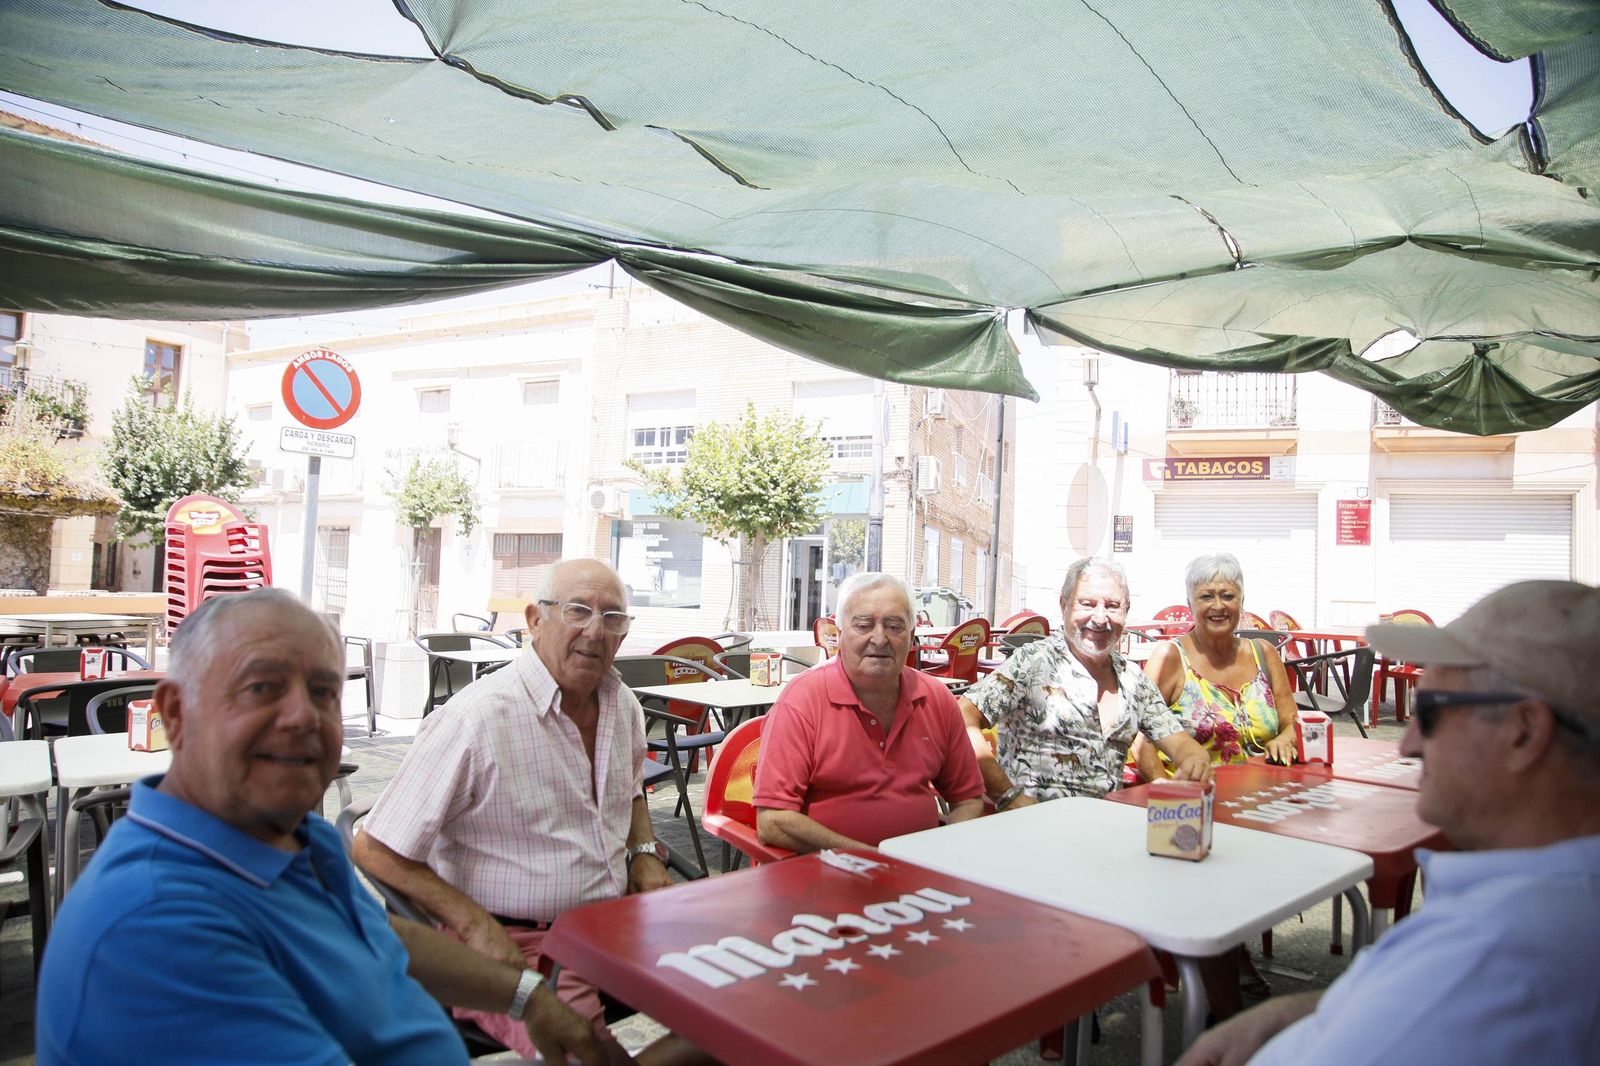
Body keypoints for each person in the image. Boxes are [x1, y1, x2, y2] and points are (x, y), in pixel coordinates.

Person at [36, 587, 604, 1066]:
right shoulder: (153, 930)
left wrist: (529, 997)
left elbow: (364, 934)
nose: (304, 717)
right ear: (176, 714)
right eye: (261, 687)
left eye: (324, 693)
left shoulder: (283, 839)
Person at [1178, 579, 1600, 1066]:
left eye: (1431, 712)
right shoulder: (1554, 912)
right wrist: (1315, 1008)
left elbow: (1439, 1000)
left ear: (1523, 732)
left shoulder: (1492, 958)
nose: (1407, 743)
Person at [352, 559, 694, 1064]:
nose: (595, 631)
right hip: (520, 941)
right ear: (535, 620)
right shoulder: (477, 719)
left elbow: (630, 789)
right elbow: (374, 847)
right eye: (578, 611)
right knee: (585, 1052)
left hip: (613, 922)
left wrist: (643, 850)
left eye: (613, 618)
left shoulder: (621, 704)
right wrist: (472, 924)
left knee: (741, 998)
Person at [754, 572, 985, 851]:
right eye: (863, 625)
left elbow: (969, 799)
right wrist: (878, 861)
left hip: (920, 873)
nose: (880, 638)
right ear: (838, 636)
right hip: (825, 875)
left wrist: (941, 851)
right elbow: (773, 821)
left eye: (894, 626)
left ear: (912, 637)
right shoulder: (802, 701)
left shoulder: (936, 699)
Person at [959, 556, 1212, 809]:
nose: (1100, 618)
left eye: (1113, 606)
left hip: (1104, 828)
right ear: (1064, 605)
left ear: (1126, 611)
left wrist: (1194, 760)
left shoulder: (1134, 680)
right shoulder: (1032, 662)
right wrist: (1006, 796)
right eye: (1087, 604)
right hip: (1034, 829)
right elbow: (963, 718)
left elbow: (1180, 743)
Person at [1139, 552, 1299, 772]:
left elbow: (1293, 724)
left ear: (1242, 602)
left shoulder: (1264, 654)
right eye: (1206, 597)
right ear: (1189, 604)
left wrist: (1285, 740)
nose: (1218, 606)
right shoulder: (1170, 658)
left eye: (1228, 596)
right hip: (1194, 799)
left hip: (1266, 795)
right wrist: (1168, 797)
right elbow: (1142, 744)